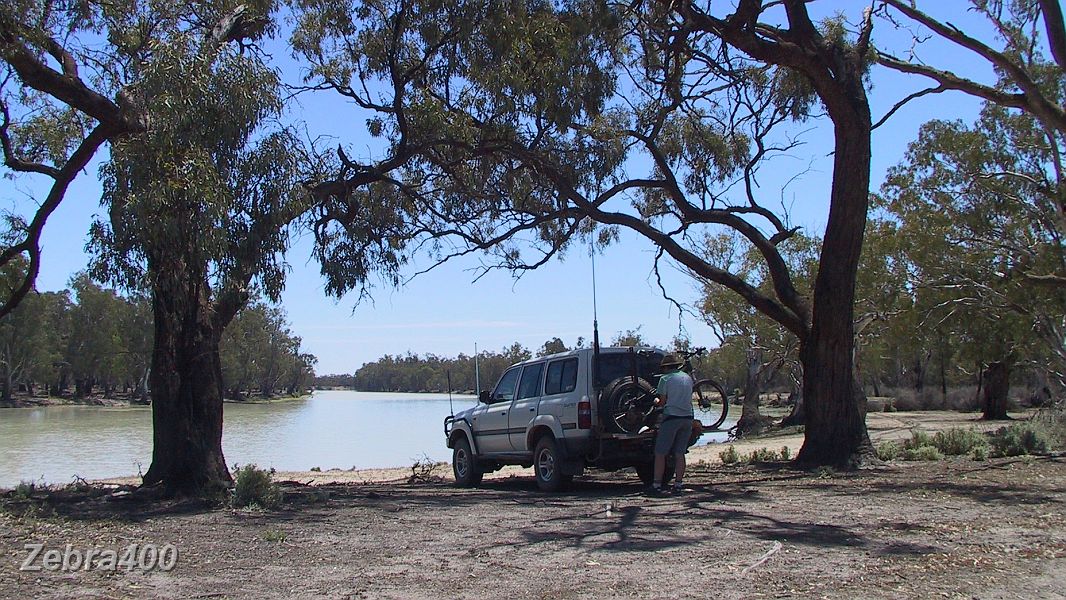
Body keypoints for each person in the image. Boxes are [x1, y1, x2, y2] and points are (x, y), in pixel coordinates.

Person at [648, 353, 694, 496]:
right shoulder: (687, 377)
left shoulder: (665, 379)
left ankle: (656, 485)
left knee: (660, 453)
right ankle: (678, 484)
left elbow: (662, 402)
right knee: (680, 452)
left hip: (672, 418)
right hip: (688, 418)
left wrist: (655, 402)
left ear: (666, 368)